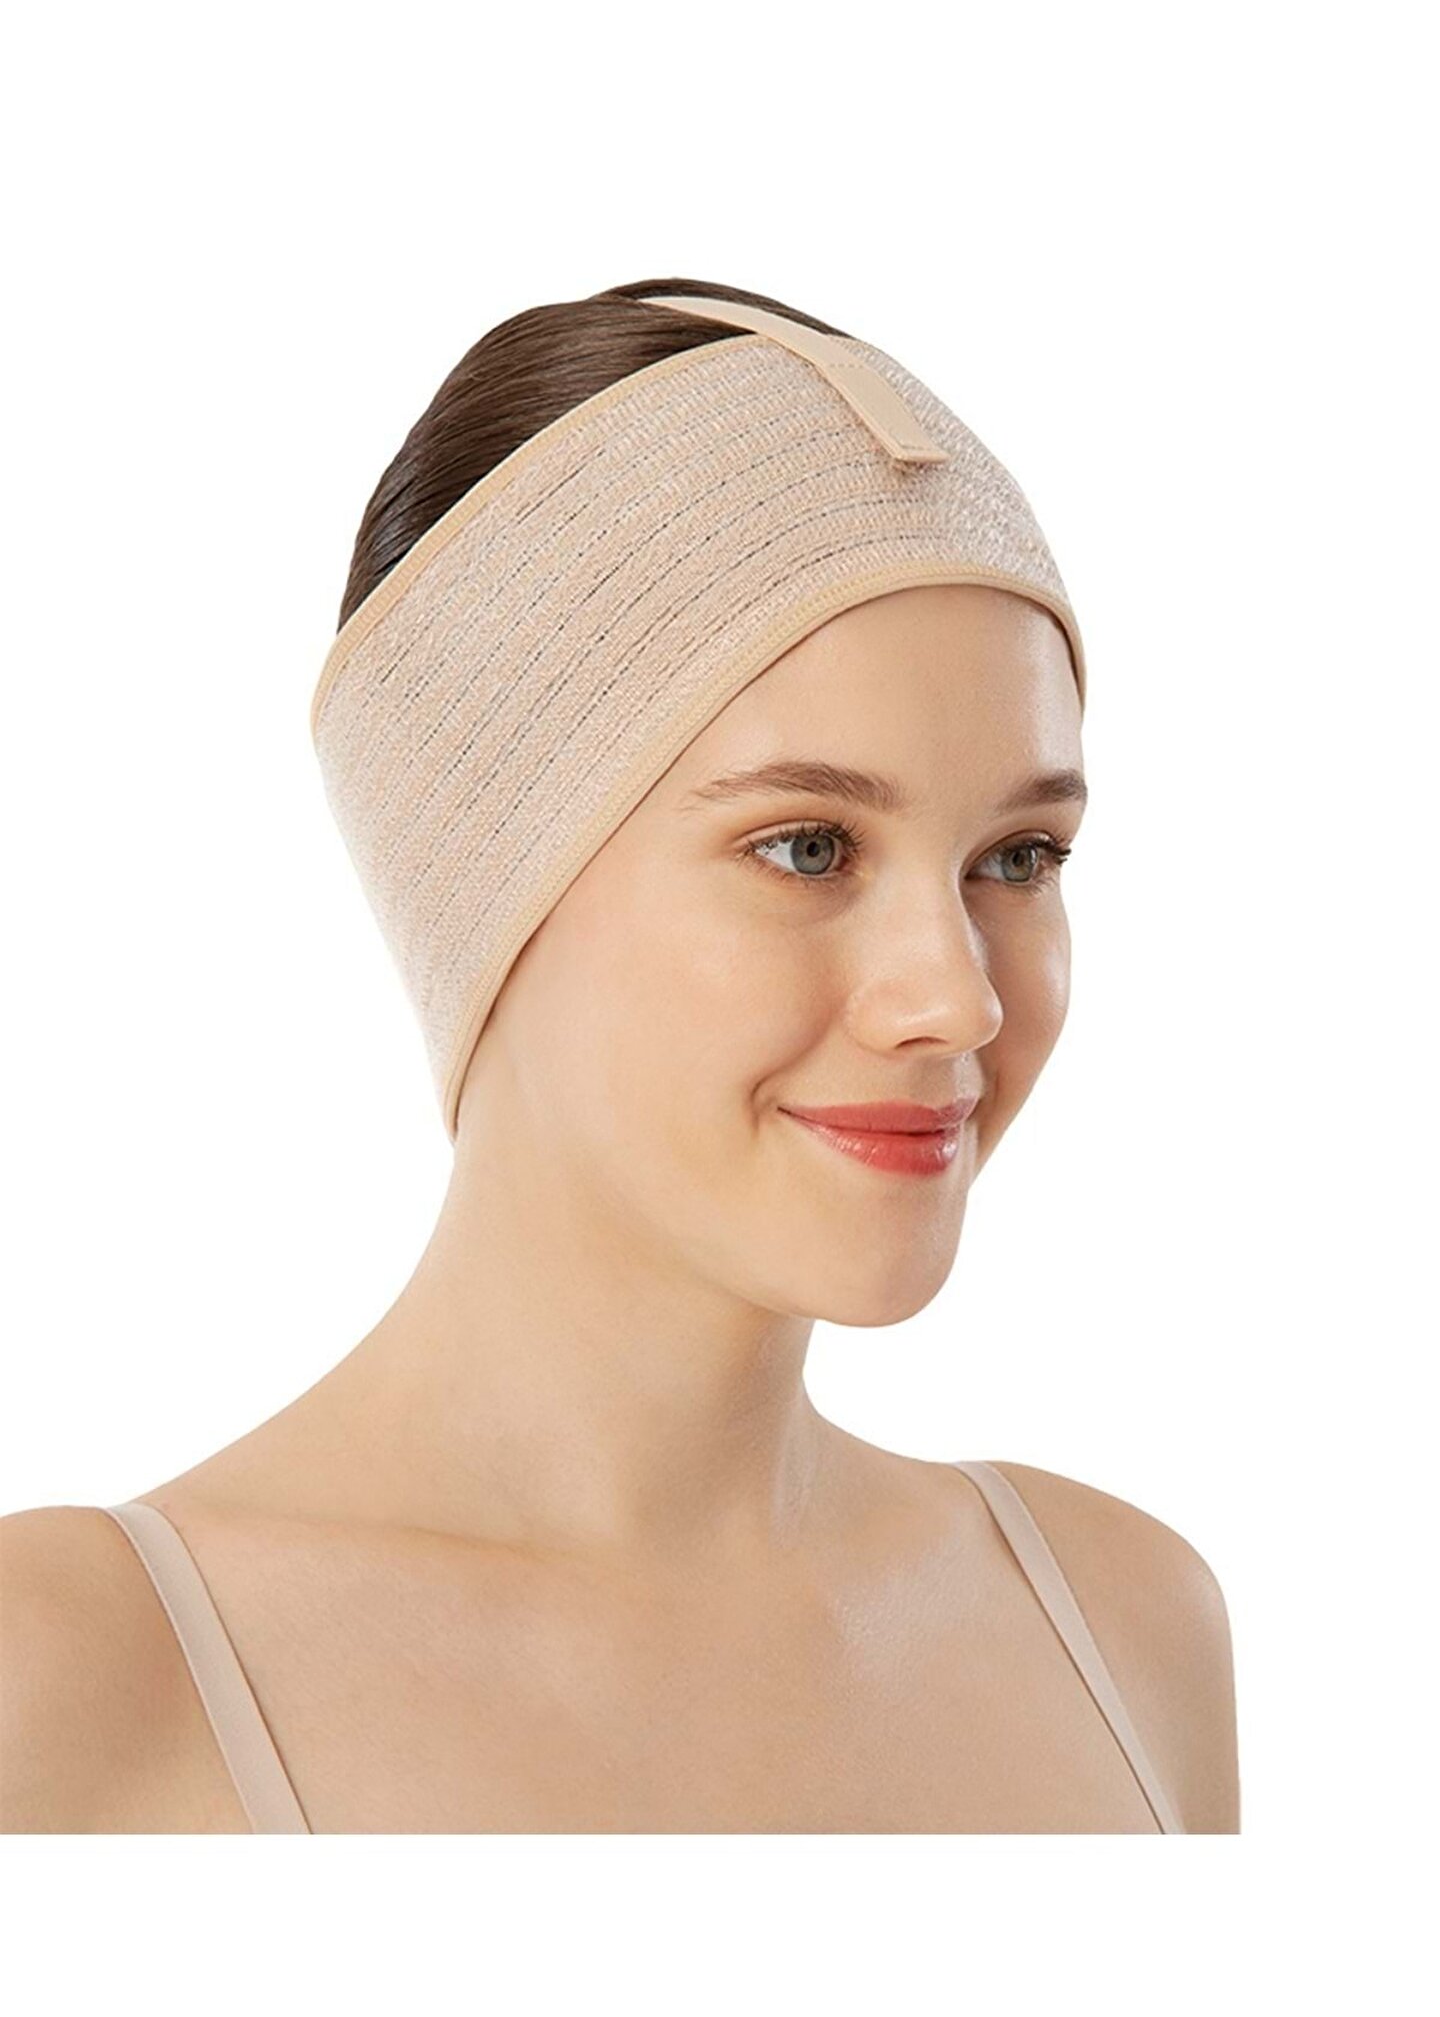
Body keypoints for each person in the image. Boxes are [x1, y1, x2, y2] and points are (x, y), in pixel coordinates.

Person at [0, 278, 1239, 1834]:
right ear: (482, 874)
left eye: (1020, 857)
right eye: (807, 846)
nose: (958, 1000)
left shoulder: (1126, 1626)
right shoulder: (74, 1678)